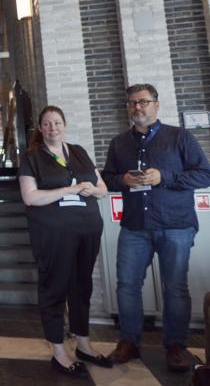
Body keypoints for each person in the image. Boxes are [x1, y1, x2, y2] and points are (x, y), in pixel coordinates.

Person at [102, 84, 210, 372]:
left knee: (175, 287)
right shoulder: (119, 143)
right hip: (135, 226)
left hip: (175, 225)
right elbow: (108, 178)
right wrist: (122, 180)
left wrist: (165, 176)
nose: (138, 107)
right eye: (132, 103)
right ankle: (129, 341)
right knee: (126, 286)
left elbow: (204, 173)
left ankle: (175, 346)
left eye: (144, 102)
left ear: (156, 105)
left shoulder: (180, 137)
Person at [18, 106, 111, 379]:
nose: (53, 128)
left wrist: (93, 190)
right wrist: (68, 189)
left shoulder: (79, 152)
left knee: (82, 286)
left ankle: (83, 344)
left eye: (57, 123)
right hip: (53, 234)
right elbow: (31, 198)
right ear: (40, 128)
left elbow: (102, 188)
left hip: (87, 230)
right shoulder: (32, 158)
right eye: (47, 124)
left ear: (65, 125)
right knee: (54, 287)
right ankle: (58, 350)